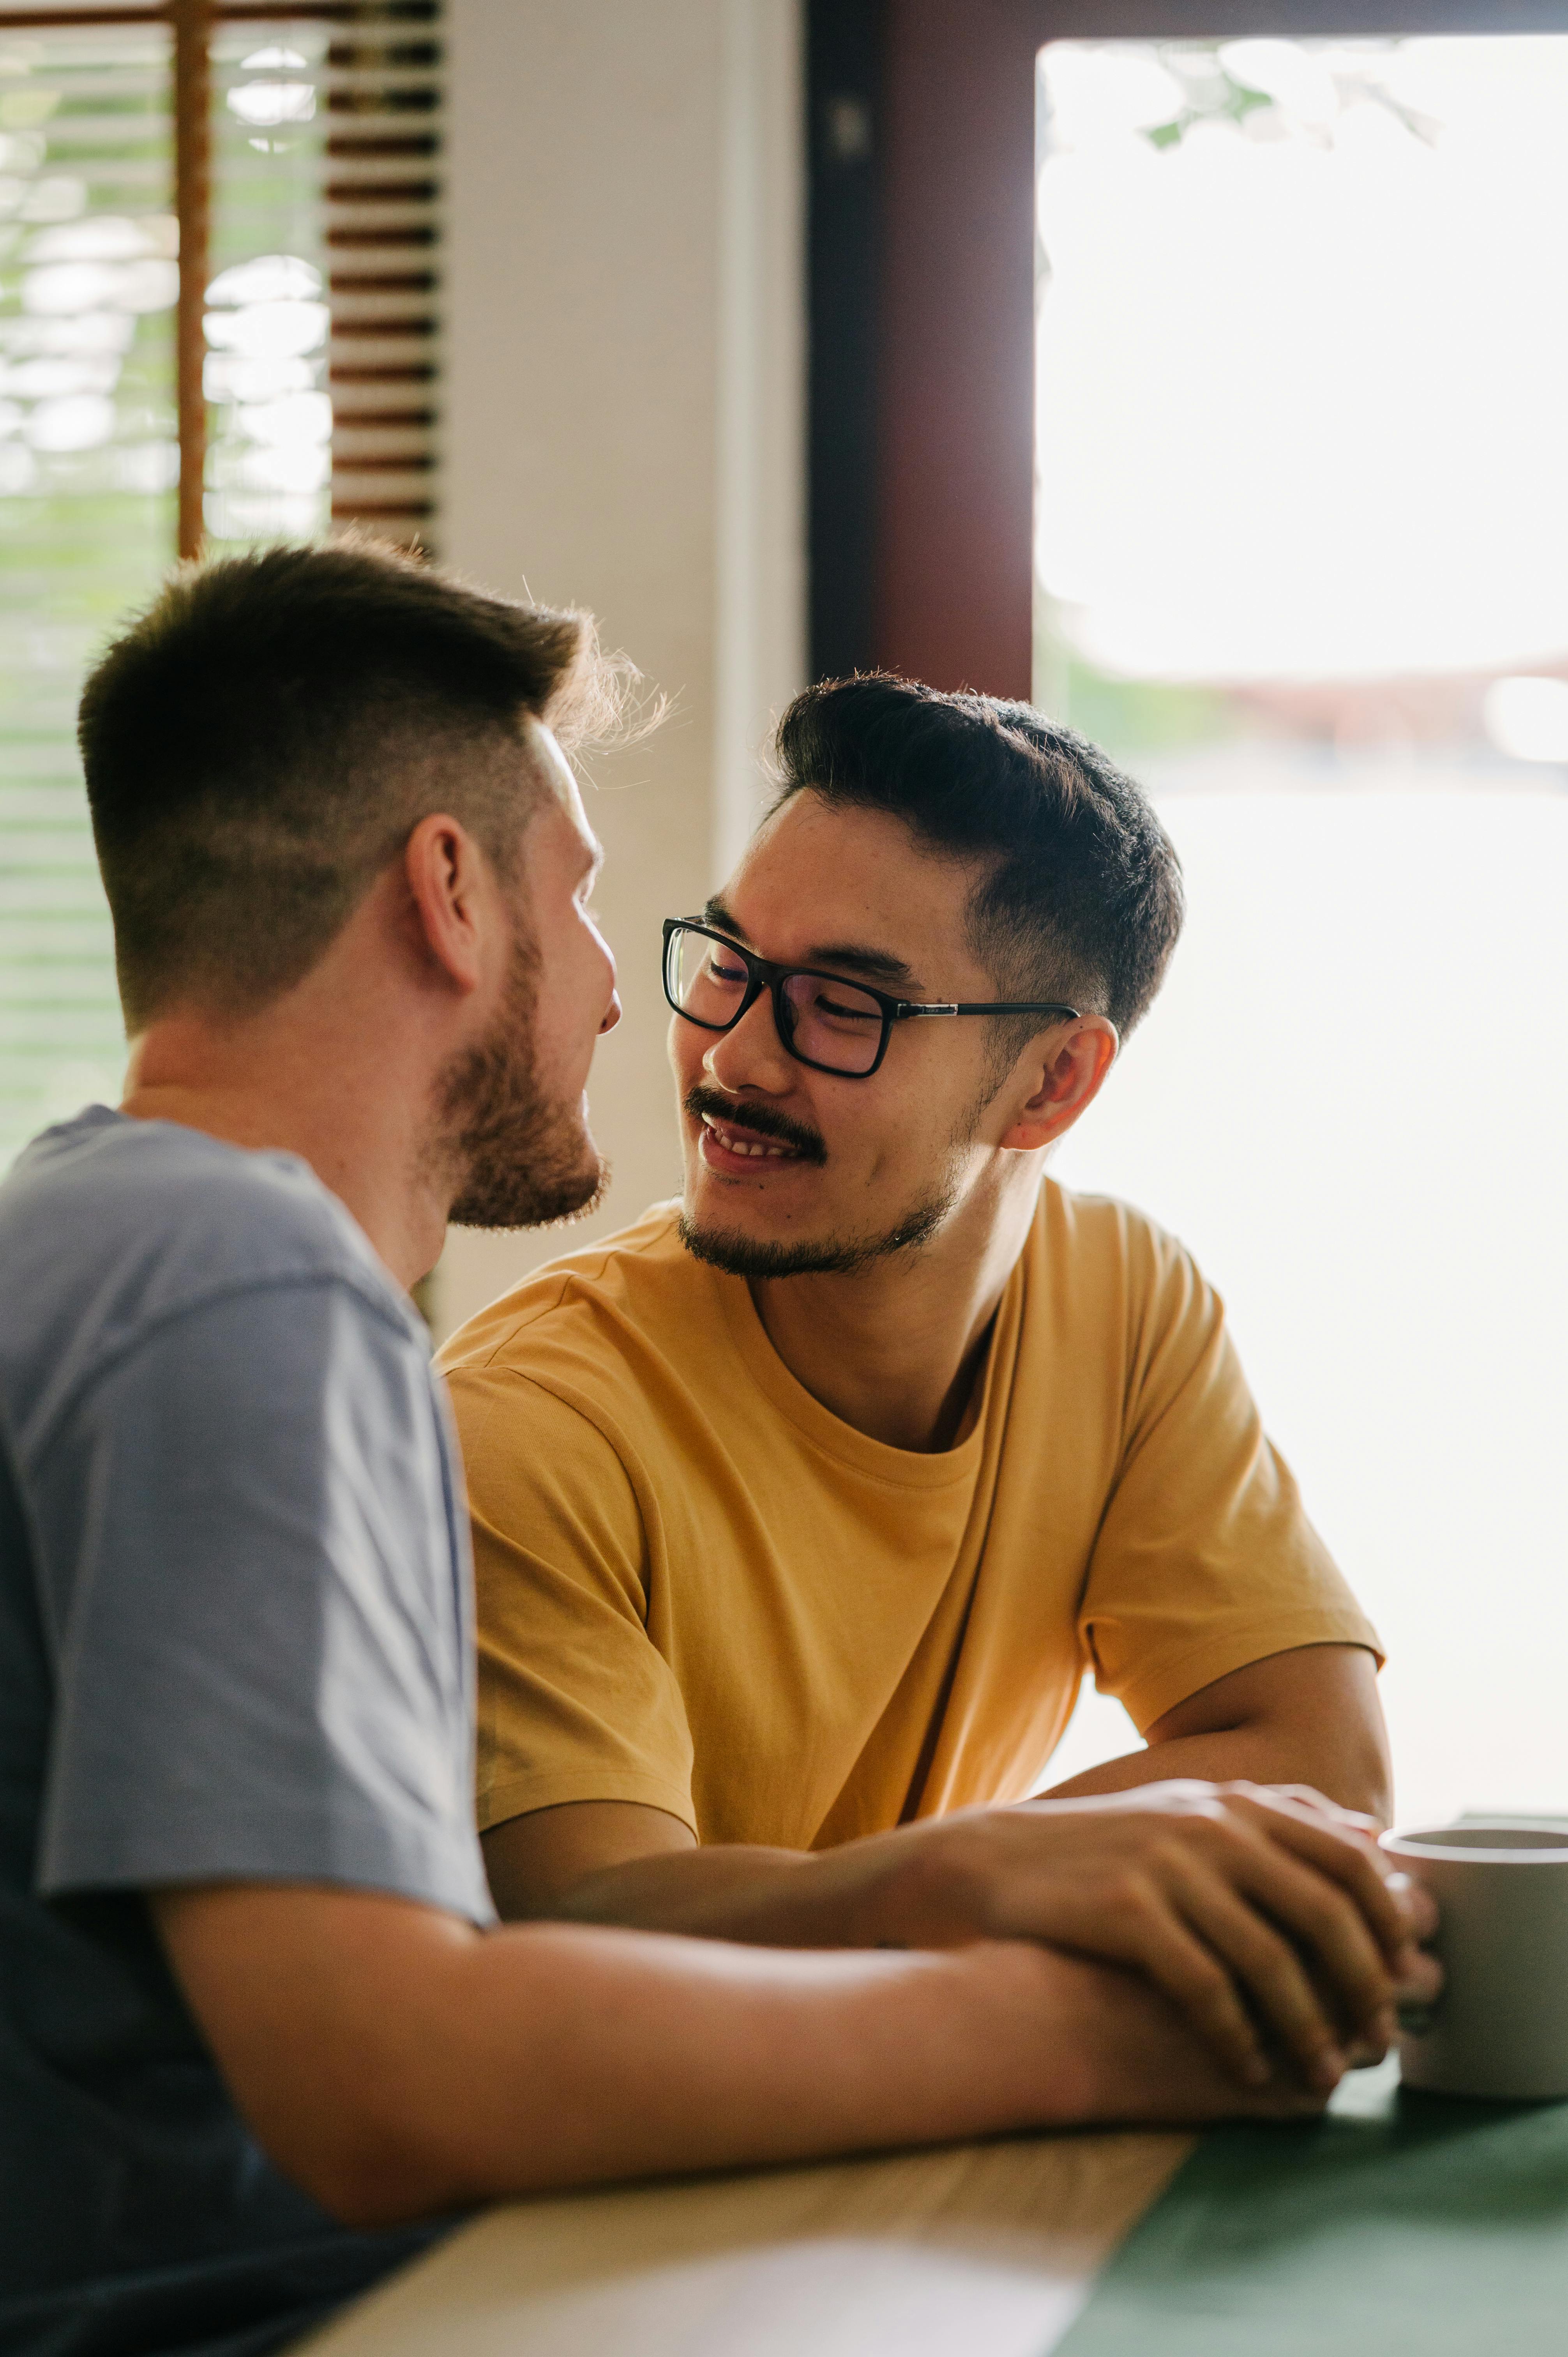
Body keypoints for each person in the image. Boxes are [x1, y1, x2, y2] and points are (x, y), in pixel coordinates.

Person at [0, 546, 1433, 2357]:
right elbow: (395, 2075)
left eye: (838, 1000)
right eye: (593, 902)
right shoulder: (240, 1286)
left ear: (1054, 1086)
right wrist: (1082, 2029)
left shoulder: (124, 1241)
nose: (632, 1004)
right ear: (452, 893)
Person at [441, 673, 1402, 2016]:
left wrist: (968, 1882)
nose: (733, 1057)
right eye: (729, 964)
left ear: (1052, 1082)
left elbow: (1324, 1767)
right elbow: (590, 1930)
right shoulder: (522, 1431)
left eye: (844, 1005)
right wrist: (987, 1879)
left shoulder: (1123, 1302)